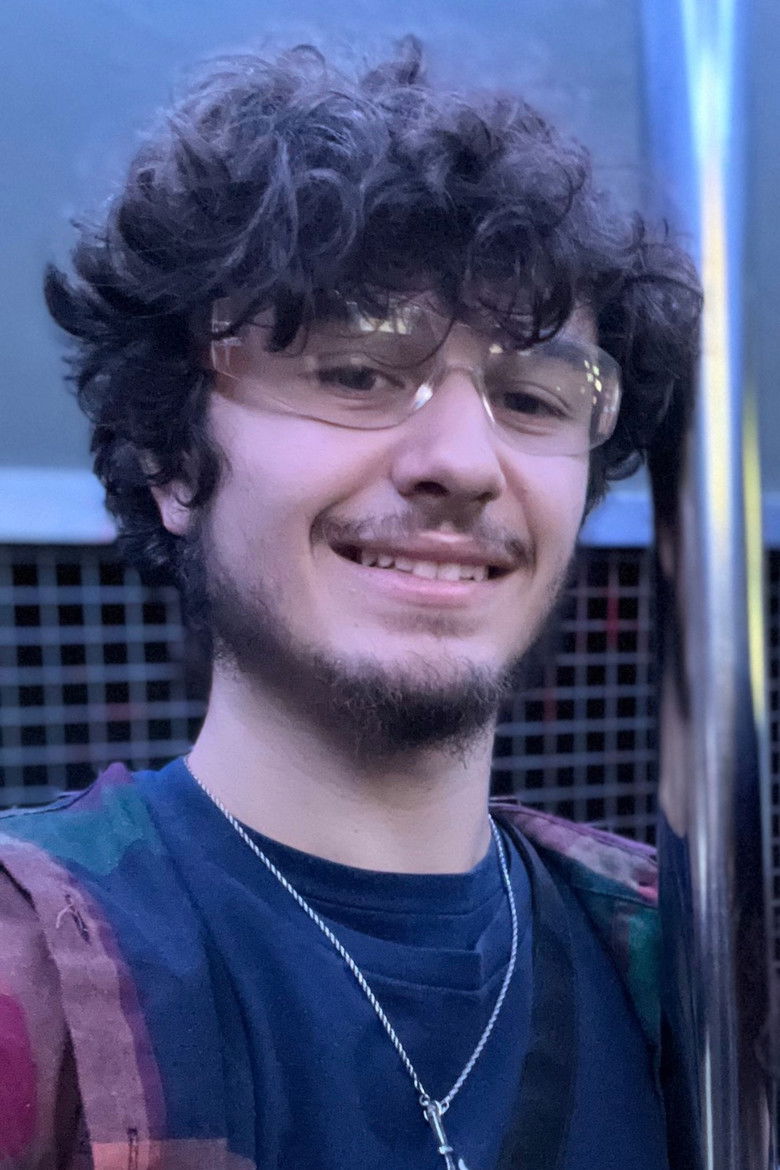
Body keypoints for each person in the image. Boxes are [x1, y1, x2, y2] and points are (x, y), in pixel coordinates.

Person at [0, 40, 700, 1169]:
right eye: (356, 373)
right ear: (173, 460)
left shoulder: (697, 973)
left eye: (533, 397)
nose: (463, 461)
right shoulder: (38, 971)